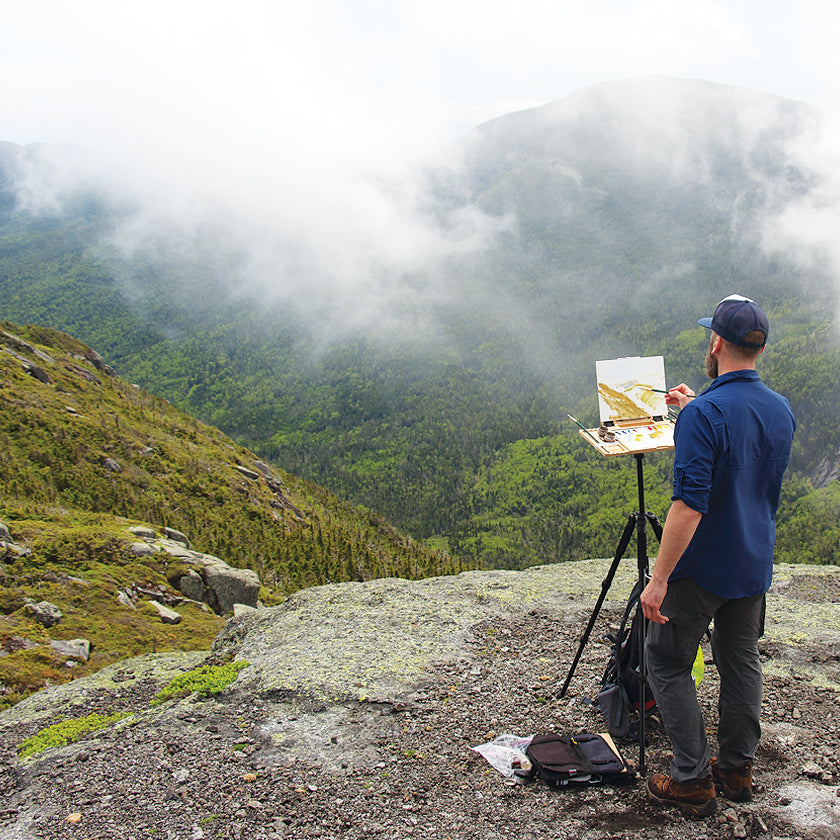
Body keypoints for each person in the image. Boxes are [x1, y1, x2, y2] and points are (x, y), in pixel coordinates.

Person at [640, 294, 796, 817]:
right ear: (759, 347)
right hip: (753, 561)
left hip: (702, 567)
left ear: (717, 343)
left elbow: (688, 507)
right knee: (741, 660)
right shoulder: (779, 409)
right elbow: (744, 463)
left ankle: (691, 779)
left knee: (664, 659)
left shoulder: (705, 415)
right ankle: (735, 770)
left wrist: (659, 580)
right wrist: (693, 412)